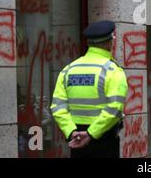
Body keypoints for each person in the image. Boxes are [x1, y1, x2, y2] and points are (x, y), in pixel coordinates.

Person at [50, 20, 128, 158]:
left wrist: (71, 131)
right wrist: (91, 133)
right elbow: (115, 108)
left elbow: (57, 106)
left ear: (88, 43)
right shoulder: (112, 70)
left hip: (76, 140)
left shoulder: (69, 70)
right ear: (110, 42)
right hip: (104, 140)